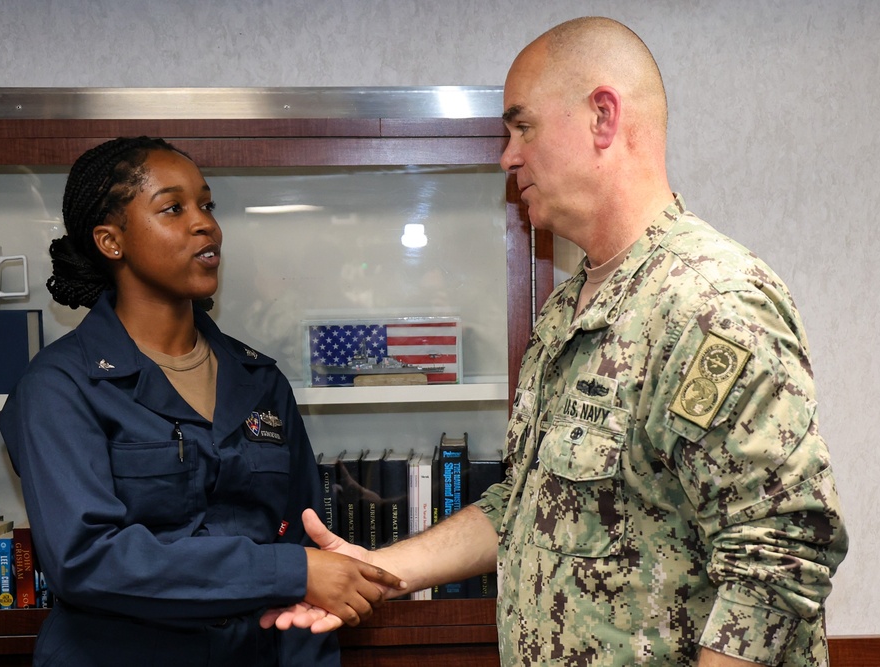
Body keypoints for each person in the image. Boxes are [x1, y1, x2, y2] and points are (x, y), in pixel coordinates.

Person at [264, 16, 849, 667]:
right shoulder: (567, 310)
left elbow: (782, 549)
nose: (507, 155)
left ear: (603, 117)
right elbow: (524, 505)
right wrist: (378, 567)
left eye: (523, 127)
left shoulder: (705, 299)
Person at [0, 136, 404, 667]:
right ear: (110, 241)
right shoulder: (59, 386)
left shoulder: (259, 381)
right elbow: (87, 560)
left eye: (207, 205)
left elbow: (312, 552)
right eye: (173, 208)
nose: (205, 224)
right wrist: (290, 572)